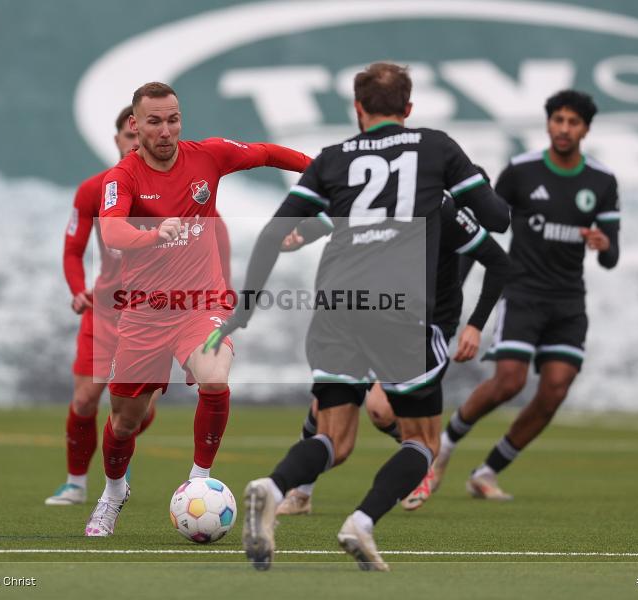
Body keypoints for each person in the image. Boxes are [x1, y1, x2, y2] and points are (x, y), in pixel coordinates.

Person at [205, 62, 509, 571]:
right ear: (408, 110)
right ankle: (362, 522)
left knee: (334, 438)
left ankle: (274, 486)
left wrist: (245, 309)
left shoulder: (333, 157)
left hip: (335, 305)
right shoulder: (436, 147)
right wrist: (478, 188)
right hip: (399, 309)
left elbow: (273, 234)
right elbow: (498, 219)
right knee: (422, 442)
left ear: (358, 109)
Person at [83, 82, 311, 537]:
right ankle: (112, 493)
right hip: (145, 313)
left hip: (200, 305)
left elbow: (266, 152)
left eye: (172, 119)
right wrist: (151, 235)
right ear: (135, 124)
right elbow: (111, 233)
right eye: (154, 121)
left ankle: (199, 481)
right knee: (124, 423)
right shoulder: (121, 178)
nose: (165, 130)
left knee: (214, 376)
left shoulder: (208, 155)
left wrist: (323, 170)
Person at [433, 89, 620, 501]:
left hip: (569, 301)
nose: (565, 129)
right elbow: (480, 232)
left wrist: (604, 244)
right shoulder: (520, 172)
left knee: (554, 389)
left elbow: (611, 257)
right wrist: (459, 294)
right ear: (549, 123)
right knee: (508, 382)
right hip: (523, 293)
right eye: (558, 120)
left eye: (573, 122)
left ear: (586, 129)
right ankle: (443, 448)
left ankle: (487, 472)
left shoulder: (602, 182)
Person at [275, 197, 512, 516]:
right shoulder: (375, 193)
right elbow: (330, 218)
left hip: (424, 327)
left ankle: (421, 458)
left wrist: (475, 325)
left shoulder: (439, 205)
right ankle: (301, 493)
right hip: (371, 314)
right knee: (325, 406)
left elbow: (497, 254)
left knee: (380, 410)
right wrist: (299, 234)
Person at [45, 105, 157, 506]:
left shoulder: (172, 187)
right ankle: (76, 483)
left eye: (140, 136)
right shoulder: (94, 190)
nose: (136, 144)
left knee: (138, 415)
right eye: (129, 137)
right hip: (105, 311)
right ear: (118, 140)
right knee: (85, 400)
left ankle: (116, 464)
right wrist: (77, 289)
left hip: (153, 314)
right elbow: (73, 250)